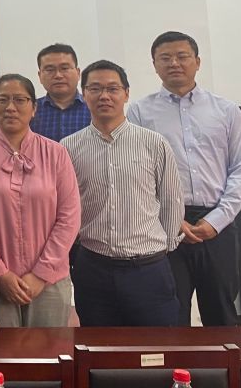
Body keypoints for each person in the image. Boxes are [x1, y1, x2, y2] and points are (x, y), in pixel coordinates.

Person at [128, 31, 241, 326]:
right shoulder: (139, 113)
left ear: (197, 61)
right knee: (170, 313)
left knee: (222, 312)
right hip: (164, 227)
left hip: (218, 224)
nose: (174, 63)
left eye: (182, 56)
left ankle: (225, 360)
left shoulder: (226, 110)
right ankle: (175, 360)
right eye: (165, 58)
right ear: (154, 65)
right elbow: (137, 174)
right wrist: (172, 218)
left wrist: (217, 220)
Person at [62, 60, 183, 327]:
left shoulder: (154, 143)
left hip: (148, 270)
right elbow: (65, 208)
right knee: (98, 346)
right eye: (95, 89)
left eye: (112, 89)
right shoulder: (68, 148)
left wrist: (160, 250)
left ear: (126, 94)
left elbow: (171, 201)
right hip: (93, 268)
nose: (104, 96)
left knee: (158, 346)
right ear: (84, 94)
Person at [0, 74, 80, 327]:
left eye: (19, 100)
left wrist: (41, 273)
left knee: (50, 350)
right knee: (0, 350)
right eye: (2, 100)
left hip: (49, 280)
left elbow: (69, 218)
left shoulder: (56, 153)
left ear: (34, 107)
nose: (10, 107)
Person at [30, 44, 90, 142]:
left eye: (65, 68)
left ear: (78, 73)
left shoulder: (93, 108)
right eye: (50, 70)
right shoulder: (29, 110)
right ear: (40, 75)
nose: (58, 75)